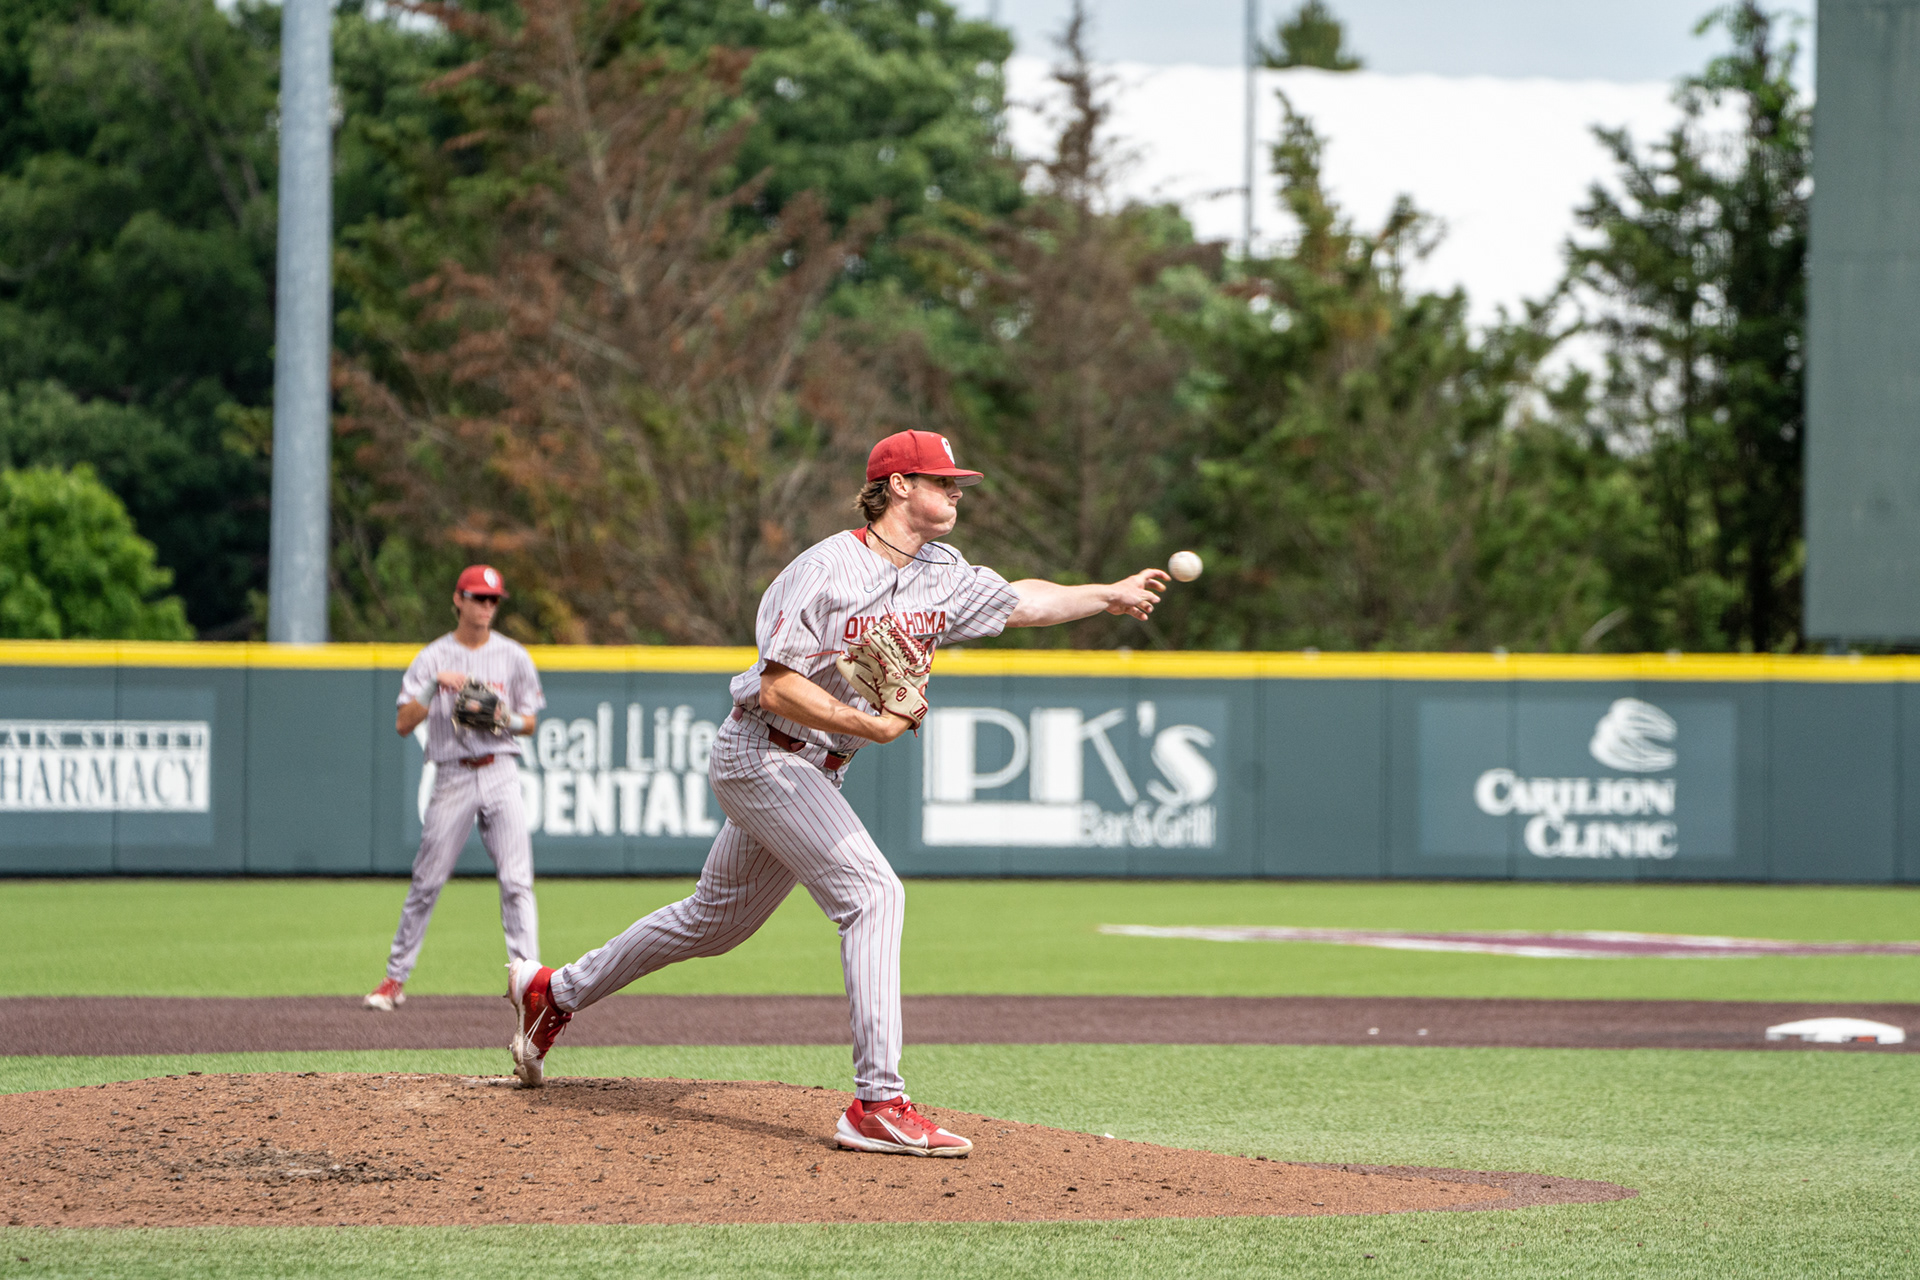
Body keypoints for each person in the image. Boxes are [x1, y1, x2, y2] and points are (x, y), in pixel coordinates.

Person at [505, 430, 1166, 1156]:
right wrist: (868, 725)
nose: (955, 492)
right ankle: (877, 1102)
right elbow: (776, 683)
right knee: (873, 894)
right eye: (941, 481)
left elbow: (1018, 602)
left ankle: (553, 992)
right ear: (898, 486)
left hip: (816, 767)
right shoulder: (824, 569)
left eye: (957, 484)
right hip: (763, 753)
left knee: (713, 923)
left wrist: (1106, 594)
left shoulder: (940, 569)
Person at [364, 565, 547, 1012]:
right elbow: (403, 724)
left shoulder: (513, 656)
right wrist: (432, 686)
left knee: (517, 882)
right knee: (426, 881)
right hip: (453, 773)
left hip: (501, 769)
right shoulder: (432, 657)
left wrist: (504, 718)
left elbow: (530, 722)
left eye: (493, 600)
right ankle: (394, 979)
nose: (487, 607)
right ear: (458, 599)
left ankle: (531, 986)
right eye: (478, 598)